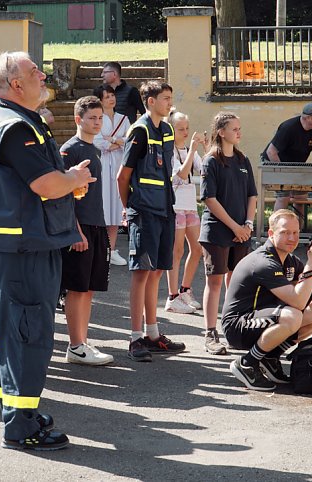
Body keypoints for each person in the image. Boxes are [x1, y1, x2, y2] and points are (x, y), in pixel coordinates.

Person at [0, 51, 94, 451]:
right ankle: (20, 426)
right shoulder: (15, 126)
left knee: (16, 331)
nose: (43, 74)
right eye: (35, 71)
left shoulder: (8, 120)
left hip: (14, 245)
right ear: (16, 84)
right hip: (20, 248)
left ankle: (20, 411)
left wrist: (67, 182)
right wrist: (72, 178)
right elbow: (44, 184)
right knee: (27, 333)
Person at [222, 209, 312, 391]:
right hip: (238, 326)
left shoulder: (290, 261)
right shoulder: (264, 262)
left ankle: (269, 357)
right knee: (292, 316)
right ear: (271, 234)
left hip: (262, 318)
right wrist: (311, 264)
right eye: (285, 232)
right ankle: (246, 363)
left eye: (296, 233)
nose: (292, 238)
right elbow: (298, 302)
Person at [116, 80, 186, 362]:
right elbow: (123, 176)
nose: (170, 102)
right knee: (141, 272)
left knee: (156, 270)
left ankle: (153, 334)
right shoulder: (139, 130)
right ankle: (135, 339)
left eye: (170, 97)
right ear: (150, 102)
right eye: (165, 98)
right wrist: (129, 208)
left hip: (164, 208)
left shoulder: (167, 129)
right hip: (143, 210)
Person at [60, 96, 115, 367]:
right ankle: (75, 345)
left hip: (96, 224)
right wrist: (76, 231)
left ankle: (82, 341)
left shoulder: (94, 150)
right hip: (80, 228)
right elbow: (64, 195)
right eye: (92, 118)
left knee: (89, 289)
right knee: (77, 288)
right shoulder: (71, 149)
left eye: (100, 118)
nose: (97, 122)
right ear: (78, 119)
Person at [198, 112, 257, 356]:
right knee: (215, 282)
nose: (239, 132)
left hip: (241, 232)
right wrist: (234, 227)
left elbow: (252, 195)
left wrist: (248, 225)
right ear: (221, 132)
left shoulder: (243, 160)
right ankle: (210, 333)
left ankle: (234, 328)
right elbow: (209, 199)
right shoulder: (211, 161)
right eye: (234, 128)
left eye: (240, 128)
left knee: (235, 282)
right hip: (217, 232)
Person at [164, 110, 205, 315]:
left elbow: (204, 169)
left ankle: (185, 289)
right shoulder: (169, 151)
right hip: (175, 205)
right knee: (177, 251)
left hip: (190, 204)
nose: (186, 132)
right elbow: (181, 173)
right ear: (171, 130)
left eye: (187, 128)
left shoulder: (191, 149)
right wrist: (192, 151)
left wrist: (205, 147)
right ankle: (172, 297)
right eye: (181, 129)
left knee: (197, 248)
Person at [262, 102, 312, 222]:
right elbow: (271, 152)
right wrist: (283, 174)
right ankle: (276, 229)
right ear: (308, 118)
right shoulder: (288, 127)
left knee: (301, 197)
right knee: (283, 196)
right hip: (274, 162)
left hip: (296, 166)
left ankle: (298, 230)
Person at [92, 84, 129, 266]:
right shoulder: (98, 119)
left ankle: (111, 249)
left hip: (120, 164)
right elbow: (98, 142)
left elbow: (129, 141)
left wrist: (113, 139)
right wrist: (116, 142)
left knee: (116, 206)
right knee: (104, 205)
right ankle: (100, 249)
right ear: (100, 100)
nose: (111, 99)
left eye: (112, 95)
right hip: (104, 165)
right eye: (107, 97)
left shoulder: (123, 118)